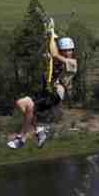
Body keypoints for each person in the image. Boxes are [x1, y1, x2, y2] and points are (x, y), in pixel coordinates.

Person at [7, 18, 77, 149]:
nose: (69, 52)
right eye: (66, 50)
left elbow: (54, 54)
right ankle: (39, 130)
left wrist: (51, 35)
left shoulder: (72, 63)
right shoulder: (56, 61)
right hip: (46, 92)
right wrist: (49, 36)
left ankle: (21, 138)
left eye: (70, 50)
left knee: (30, 107)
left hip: (55, 94)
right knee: (21, 103)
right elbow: (52, 53)